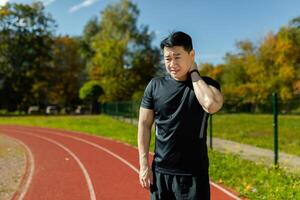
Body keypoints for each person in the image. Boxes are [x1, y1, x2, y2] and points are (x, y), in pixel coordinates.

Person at [137, 31, 224, 200]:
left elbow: (211, 105)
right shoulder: (155, 85)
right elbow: (144, 124)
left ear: (191, 55)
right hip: (160, 173)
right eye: (167, 58)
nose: (172, 64)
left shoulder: (207, 85)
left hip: (192, 174)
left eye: (177, 57)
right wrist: (143, 164)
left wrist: (194, 73)